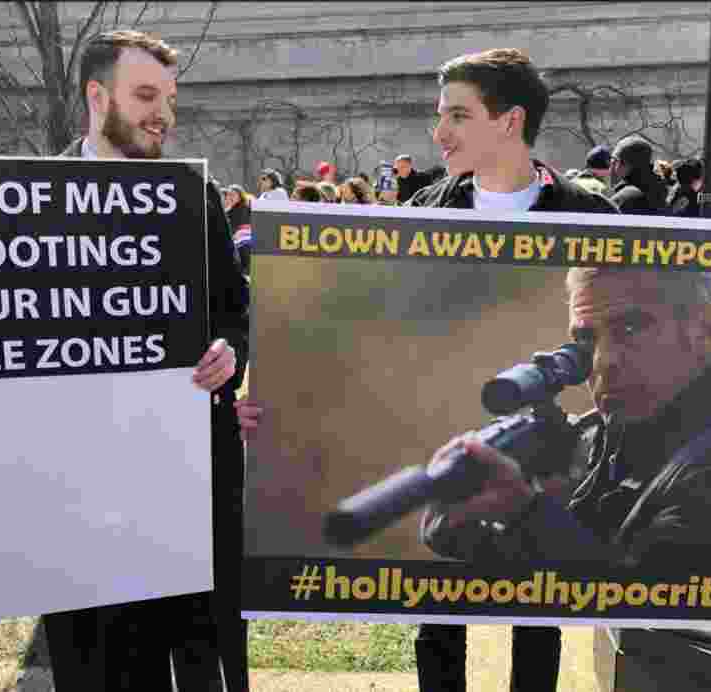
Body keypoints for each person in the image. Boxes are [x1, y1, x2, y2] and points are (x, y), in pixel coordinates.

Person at [0, 29, 250, 692]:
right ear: (97, 96)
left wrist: (230, 350)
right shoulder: (25, 202)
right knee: (99, 667)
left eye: (170, 98)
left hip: (190, 492)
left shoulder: (196, 197)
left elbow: (235, 312)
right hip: (76, 508)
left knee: (200, 662)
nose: (163, 114)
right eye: (146, 96)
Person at [238, 47, 619, 692]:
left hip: (546, 444)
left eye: (457, 116)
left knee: (538, 614)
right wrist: (274, 389)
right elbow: (361, 320)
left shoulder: (591, 216)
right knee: (437, 610)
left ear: (510, 121)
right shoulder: (423, 209)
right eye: (440, 115)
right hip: (438, 428)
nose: (438, 133)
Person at [420, 268, 711, 585]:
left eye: (631, 328)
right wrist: (464, 518)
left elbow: (649, 604)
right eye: (586, 340)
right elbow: (561, 558)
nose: (603, 361)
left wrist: (525, 514)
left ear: (703, 329)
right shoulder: (608, 432)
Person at [609, 136, 668, 215]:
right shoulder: (660, 191)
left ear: (626, 164)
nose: (611, 169)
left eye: (615, 162)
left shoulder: (625, 198)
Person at [224, 184, 253, 277]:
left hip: (243, 246)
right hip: (238, 246)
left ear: (240, 197)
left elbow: (233, 227)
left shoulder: (242, 208)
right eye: (229, 195)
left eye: (233, 195)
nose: (230, 197)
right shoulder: (229, 210)